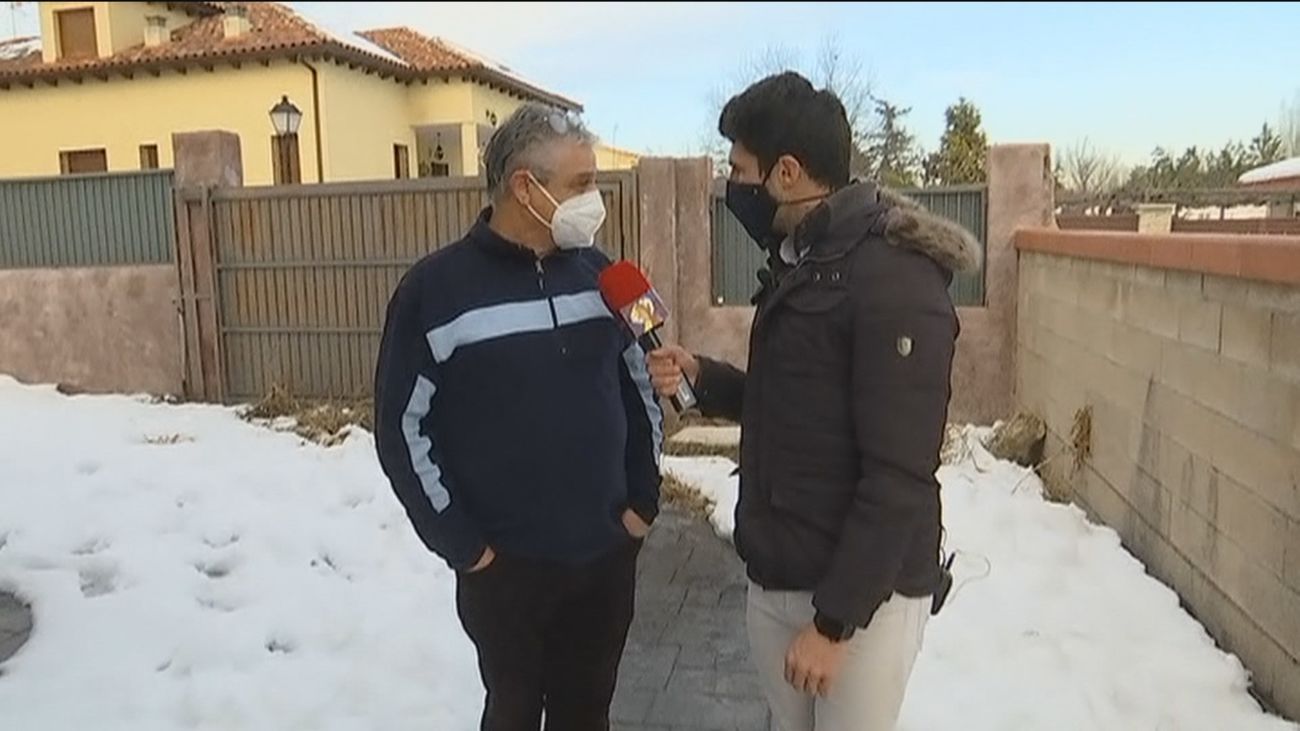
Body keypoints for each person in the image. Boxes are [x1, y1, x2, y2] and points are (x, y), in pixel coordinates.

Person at [647, 72, 980, 731]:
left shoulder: (894, 278)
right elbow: (802, 404)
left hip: (863, 602)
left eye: (739, 169)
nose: (731, 185)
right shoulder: (803, 260)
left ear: (788, 172)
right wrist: (707, 379)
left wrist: (834, 622)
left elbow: (899, 473)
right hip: (780, 575)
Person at [373, 103, 663, 731]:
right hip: (504, 569)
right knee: (512, 712)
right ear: (525, 189)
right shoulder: (433, 290)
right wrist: (462, 544)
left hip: (604, 556)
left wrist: (643, 498)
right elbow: (401, 428)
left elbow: (644, 378)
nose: (596, 200)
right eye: (581, 185)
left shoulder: (606, 276)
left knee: (587, 712)